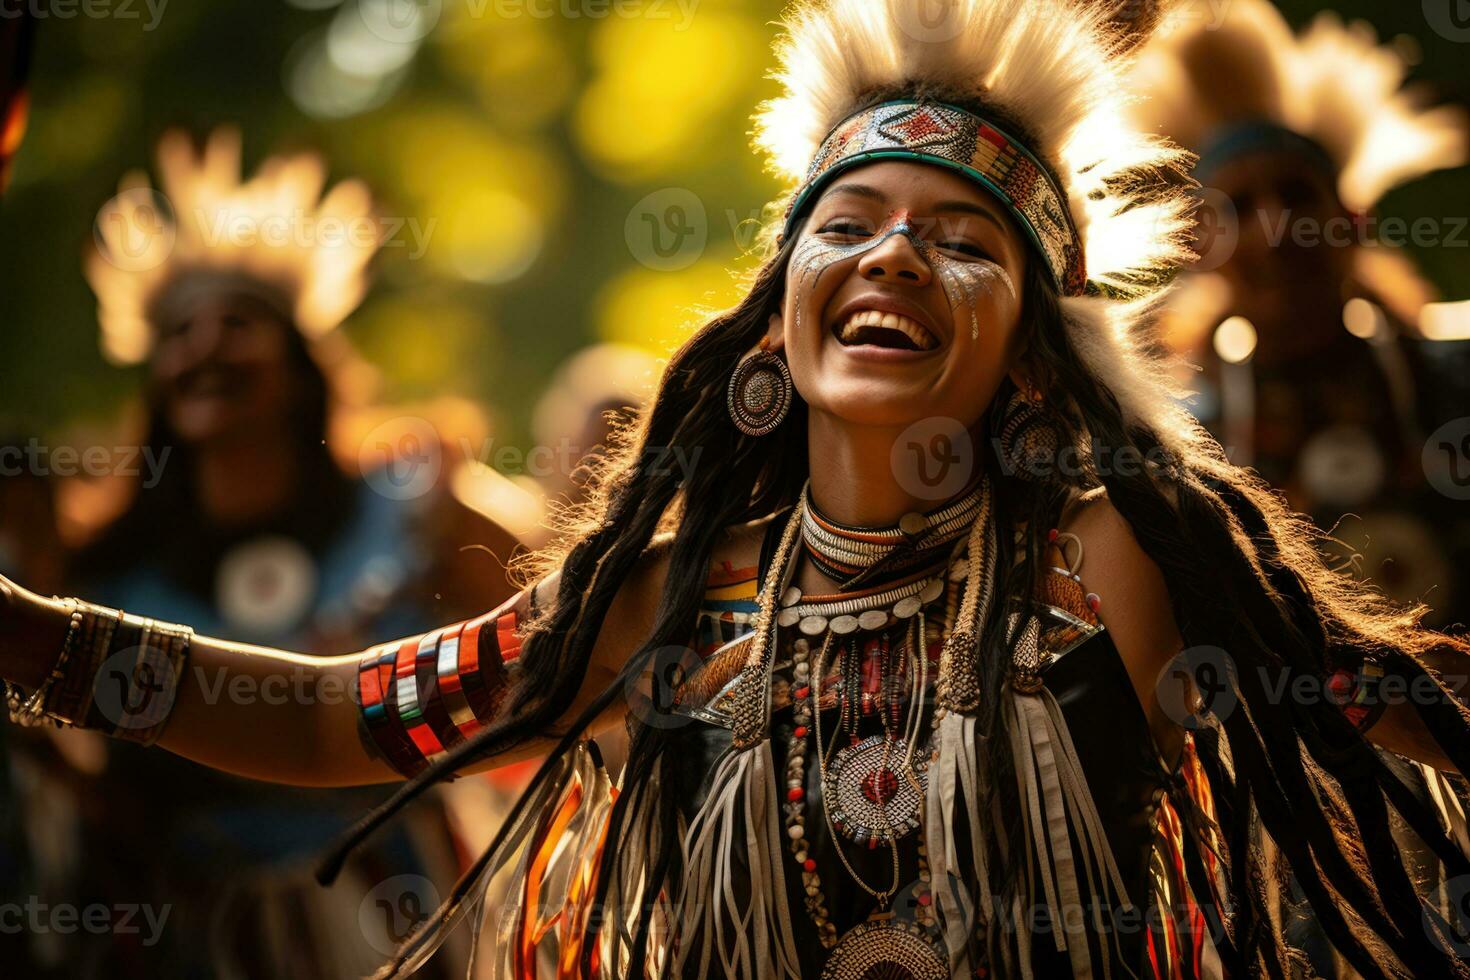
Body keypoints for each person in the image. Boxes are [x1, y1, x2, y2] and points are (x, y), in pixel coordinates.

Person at [2, 1, 1469, 977]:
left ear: (1034, 361)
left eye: (963, 241)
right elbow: (340, 718)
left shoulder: (1112, 562)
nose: (894, 255)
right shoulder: (663, 594)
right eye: (853, 225)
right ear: (778, 319)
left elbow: (1390, 707)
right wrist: (36, 644)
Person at [38, 128, 523, 977]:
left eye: (240, 322)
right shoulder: (104, 573)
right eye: (180, 333)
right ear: (156, 381)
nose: (207, 347)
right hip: (189, 944)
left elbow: (566, 636)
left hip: (410, 928)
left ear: (302, 367)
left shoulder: (415, 509)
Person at [1128, 0, 1470, 627]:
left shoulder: (1453, 384)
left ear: (1352, 220)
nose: (1276, 231)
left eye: (1295, 195)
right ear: (1201, 248)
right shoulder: (1183, 442)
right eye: (1239, 208)